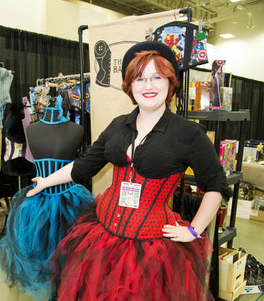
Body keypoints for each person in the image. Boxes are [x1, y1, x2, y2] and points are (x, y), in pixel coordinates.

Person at [27, 41, 232, 301]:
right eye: (140, 78)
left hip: (153, 249)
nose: (148, 86)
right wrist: (46, 182)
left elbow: (216, 185)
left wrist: (193, 230)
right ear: (130, 86)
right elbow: (84, 166)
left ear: (170, 82)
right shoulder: (117, 126)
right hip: (101, 237)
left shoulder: (189, 134)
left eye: (157, 77)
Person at [0, 89, 94, 301]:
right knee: (42, 256)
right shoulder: (32, 129)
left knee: (69, 258)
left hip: (69, 200)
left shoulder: (76, 129)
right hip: (37, 203)